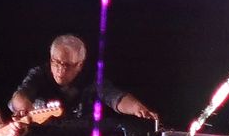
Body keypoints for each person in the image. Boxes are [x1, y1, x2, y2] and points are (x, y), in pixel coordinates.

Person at [9, 34, 158, 127]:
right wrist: (25, 109)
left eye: (67, 65)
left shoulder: (91, 79)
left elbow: (114, 96)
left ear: (79, 65)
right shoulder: (39, 74)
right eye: (56, 62)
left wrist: (137, 108)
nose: (60, 69)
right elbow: (20, 95)